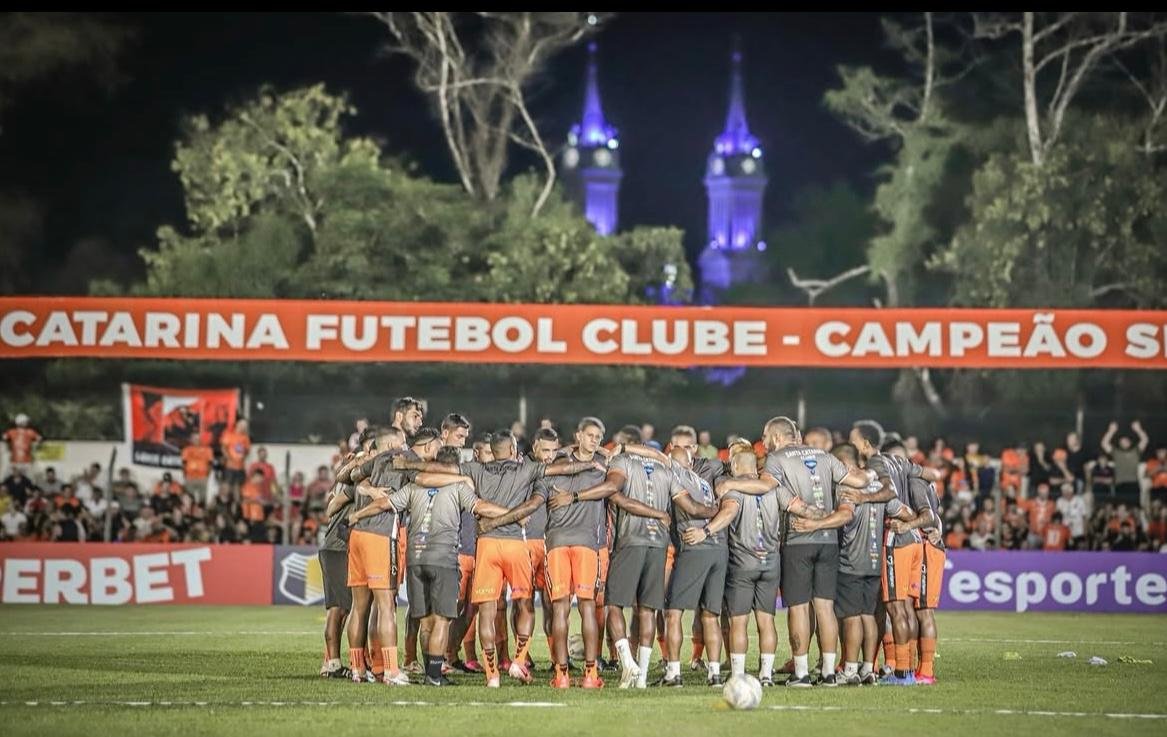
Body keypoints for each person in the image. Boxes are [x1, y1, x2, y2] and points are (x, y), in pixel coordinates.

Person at [348, 446, 509, 686]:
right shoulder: (458, 487)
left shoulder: (414, 488)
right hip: (443, 560)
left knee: (425, 622)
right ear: (455, 467)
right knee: (442, 620)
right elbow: (482, 507)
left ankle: (428, 671)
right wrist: (512, 513)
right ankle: (434, 674)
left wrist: (357, 516)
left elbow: (383, 504)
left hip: (416, 560)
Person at [1102, 420, 1148, 504]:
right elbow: (1104, 443)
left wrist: (1138, 430)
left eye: (1126, 440)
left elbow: (1145, 440)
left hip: (1133, 484)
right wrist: (1111, 431)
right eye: (1122, 441)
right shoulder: (1116, 452)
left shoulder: (1136, 451)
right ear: (1119, 443)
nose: (1124, 442)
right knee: (1121, 509)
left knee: (1135, 510)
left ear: (1130, 442)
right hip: (1120, 484)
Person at [220, 419, 251, 501]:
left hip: (240, 467)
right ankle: (222, 503)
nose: (243, 428)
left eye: (245, 426)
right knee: (227, 485)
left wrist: (243, 457)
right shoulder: (229, 435)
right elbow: (223, 448)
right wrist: (229, 458)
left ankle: (237, 507)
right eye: (242, 425)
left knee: (237, 487)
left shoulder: (246, 438)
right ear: (237, 424)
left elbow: (247, 450)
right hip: (230, 466)